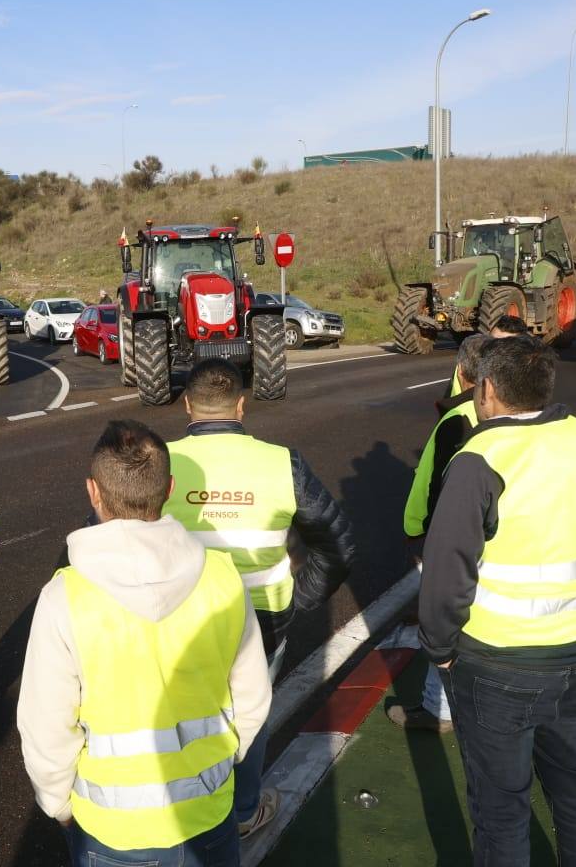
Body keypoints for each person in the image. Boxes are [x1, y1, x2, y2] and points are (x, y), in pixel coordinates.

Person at [420, 335, 576, 866]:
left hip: (495, 661)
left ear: (487, 390)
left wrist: (441, 648)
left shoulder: (481, 457)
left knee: (501, 804)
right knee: (574, 780)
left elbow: (447, 571)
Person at [18, 420, 271, 866]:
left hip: (111, 832)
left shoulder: (64, 597)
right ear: (169, 487)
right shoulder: (222, 578)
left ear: (93, 492)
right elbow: (252, 701)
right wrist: (220, 769)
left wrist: (59, 805)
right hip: (208, 816)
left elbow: (45, 729)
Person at [162, 358, 356, 837]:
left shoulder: (159, 461)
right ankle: (243, 811)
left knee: (177, 712)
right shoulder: (280, 463)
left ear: (187, 404)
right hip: (263, 618)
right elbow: (337, 545)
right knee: (249, 716)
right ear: (241, 406)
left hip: (175, 619)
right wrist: (300, 599)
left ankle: (177, 808)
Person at [388, 333, 487, 733]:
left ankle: (438, 710)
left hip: (446, 540)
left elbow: (437, 486)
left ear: (461, 373)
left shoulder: (456, 419)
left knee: (444, 623)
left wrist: (422, 536)